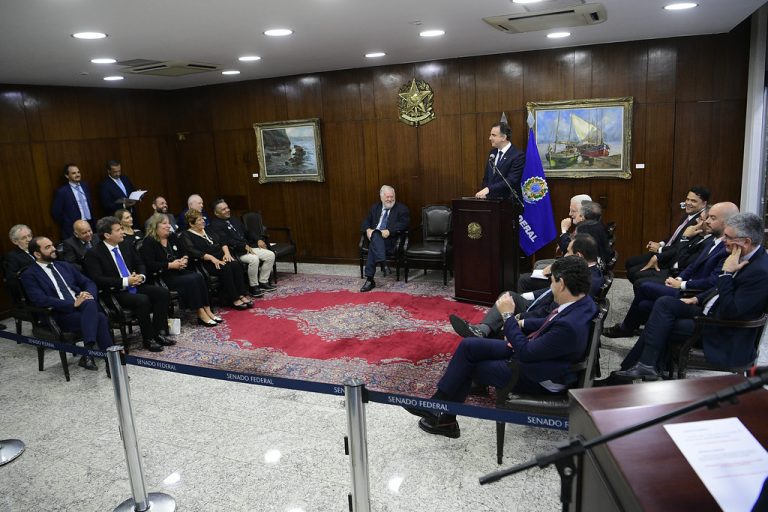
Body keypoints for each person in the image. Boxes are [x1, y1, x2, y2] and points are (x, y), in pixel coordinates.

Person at [406, 256, 597, 438]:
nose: (551, 287)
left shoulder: (568, 326)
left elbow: (526, 353)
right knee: (469, 346)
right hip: (541, 353)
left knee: (470, 366)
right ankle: (438, 407)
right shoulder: (584, 302)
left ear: (561, 283)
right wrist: (522, 324)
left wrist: (507, 317)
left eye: (552, 281)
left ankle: (445, 419)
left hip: (539, 375)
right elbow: (552, 321)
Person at [613, 212, 768, 381]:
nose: (724, 240)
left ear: (746, 242)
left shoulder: (760, 271)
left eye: (729, 237)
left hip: (723, 329)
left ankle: (635, 370)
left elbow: (732, 311)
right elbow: (717, 288)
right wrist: (697, 299)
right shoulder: (743, 255)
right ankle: (647, 366)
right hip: (710, 309)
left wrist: (726, 273)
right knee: (664, 304)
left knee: (660, 322)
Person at [603, 202, 737, 338]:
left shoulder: (727, 248)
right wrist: (679, 279)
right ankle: (638, 330)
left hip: (694, 294)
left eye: (712, 218)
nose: (706, 221)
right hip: (683, 282)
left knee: (644, 287)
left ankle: (626, 329)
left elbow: (713, 281)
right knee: (643, 304)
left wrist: (682, 284)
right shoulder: (713, 241)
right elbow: (692, 266)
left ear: (727, 222)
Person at [450, 233, 603, 339]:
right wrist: (526, 297)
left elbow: (551, 315)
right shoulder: (584, 272)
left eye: (567, 252)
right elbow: (551, 294)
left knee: (497, 325)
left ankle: (484, 337)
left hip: (539, 320)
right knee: (509, 296)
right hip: (540, 308)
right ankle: (483, 330)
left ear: (578, 256)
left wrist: (521, 319)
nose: (564, 255)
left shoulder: (586, 282)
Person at [21, 236, 113, 370]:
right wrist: (72, 304)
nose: (54, 249)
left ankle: (89, 354)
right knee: (100, 318)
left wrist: (87, 294)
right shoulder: (29, 274)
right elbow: (40, 299)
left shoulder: (64, 265)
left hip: (83, 307)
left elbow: (88, 282)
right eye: (48, 247)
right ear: (37, 254)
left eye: (52, 245)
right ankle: (110, 363)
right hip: (58, 314)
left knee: (89, 302)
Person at [84, 216, 173, 353]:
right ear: (107, 235)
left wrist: (141, 276)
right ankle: (148, 339)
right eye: (118, 230)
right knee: (143, 300)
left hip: (135, 284)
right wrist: (125, 281)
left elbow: (140, 263)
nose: (122, 232)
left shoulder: (125, 245)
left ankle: (158, 333)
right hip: (115, 292)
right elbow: (98, 279)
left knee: (162, 293)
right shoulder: (94, 253)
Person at [140, 213, 222, 327]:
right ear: (155, 225)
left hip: (179, 270)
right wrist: (170, 265)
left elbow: (184, 252)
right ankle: (201, 313)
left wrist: (185, 259)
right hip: (164, 276)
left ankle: (208, 311)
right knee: (192, 279)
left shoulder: (172, 236)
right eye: (164, 223)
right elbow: (150, 265)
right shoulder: (149, 242)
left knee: (199, 276)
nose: (168, 226)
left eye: (169, 223)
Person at [624, 186, 709, 282]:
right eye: (687, 199)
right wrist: (660, 243)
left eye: (693, 201)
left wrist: (659, 250)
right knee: (630, 262)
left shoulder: (699, 222)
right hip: (667, 250)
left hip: (672, 258)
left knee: (635, 272)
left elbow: (680, 246)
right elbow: (675, 235)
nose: (688, 203)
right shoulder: (689, 214)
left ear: (704, 204)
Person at [179, 209, 253, 310]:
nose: (203, 221)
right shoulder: (186, 235)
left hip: (221, 256)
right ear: (191, 224)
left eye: (202, 219)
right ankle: (233, 298)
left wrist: (226, 253)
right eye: (199, 220)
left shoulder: (208, 229)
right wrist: (212, 258)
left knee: (235, 264)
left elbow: (222, 241)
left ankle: (241, 294)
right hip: (205, 262)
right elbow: (192, 251)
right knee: (225, 268)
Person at [209, 199, 276, 297]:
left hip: (249, 247)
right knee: (254, 259)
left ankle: (263, 281)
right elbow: (226, 241)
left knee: (270, 255)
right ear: (216, 213)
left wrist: (258, 239)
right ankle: (253, 286)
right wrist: (243, 246)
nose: (227, 210)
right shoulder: (215, 225)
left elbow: (247, 232)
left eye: (227, 208)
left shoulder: (233, 219)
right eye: (223, 209)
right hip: (236, 252)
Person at [359, 185, 410, 292]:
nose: (390, 199)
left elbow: (404, 223)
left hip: (390, 241)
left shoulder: (402, 208)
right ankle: (383, 262)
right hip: (376, 238)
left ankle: (370, 279)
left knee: (374, 240)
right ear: (381, 197)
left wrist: (389, 231)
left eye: (392, 197)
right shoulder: (375, 207)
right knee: (376, 235)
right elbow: (365, 221)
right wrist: (368, 230)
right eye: (387, 197)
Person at [474, 122, 525, 200]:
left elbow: (511, 180)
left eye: (493, 135)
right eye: (490, 135)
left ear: (503, 137)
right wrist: (484, 194)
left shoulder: (517, 156)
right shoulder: (492, 153)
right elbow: (486, 178)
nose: (490, 138)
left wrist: (489, 189)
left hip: (508, 202)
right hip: (490, 201)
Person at [51, 163, 95, 240]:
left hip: (89, 223)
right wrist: (67, 222)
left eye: (78, 172)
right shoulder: (62, 191)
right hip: (73, 228)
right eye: (74, 173)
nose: (77, 175)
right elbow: (56, 212)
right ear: (67, 176)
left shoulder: (85, 186)